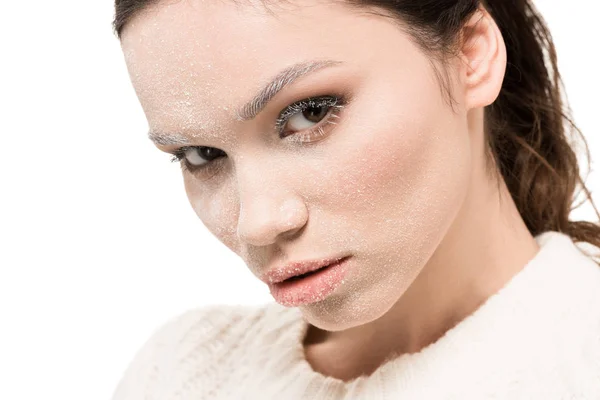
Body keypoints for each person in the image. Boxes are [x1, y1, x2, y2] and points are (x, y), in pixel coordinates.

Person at [111, 0, 600, 398]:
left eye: (310, 112)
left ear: (470, 56)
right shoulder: (177, 375)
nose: (256, 223)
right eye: (201, 154)